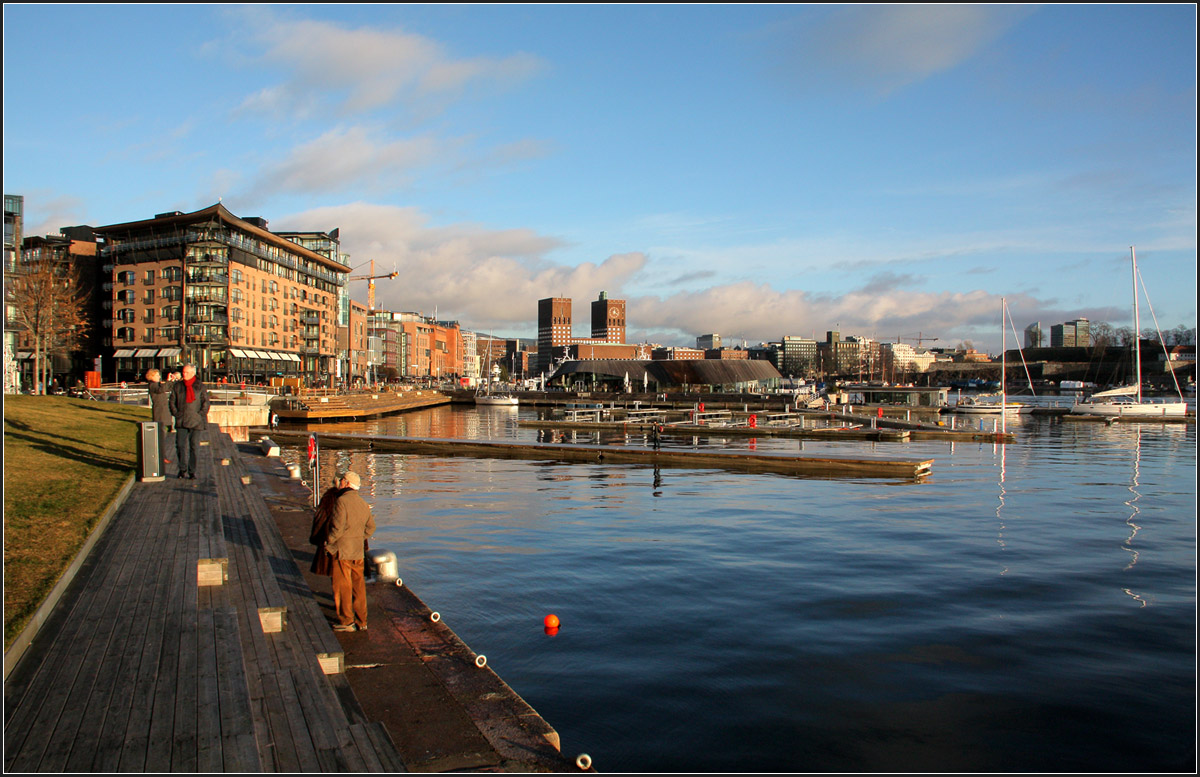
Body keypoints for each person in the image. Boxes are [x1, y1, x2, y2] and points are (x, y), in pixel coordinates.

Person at [324, 471, 375, 632]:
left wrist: (329, 542)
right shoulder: (362, 503)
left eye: (342, 481)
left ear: (346, 483)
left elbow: (337, 528)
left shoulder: (341, 501)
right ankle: (362, 621)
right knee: (358, 587)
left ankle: (346, 621)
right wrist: (359, 537)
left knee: (342, 587)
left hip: (342, 551)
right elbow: (371, 528)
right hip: (357, 551)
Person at [168, 364, 210, 480]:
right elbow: (172, 401)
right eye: (183, 372)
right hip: (182, 420)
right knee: (180, 445)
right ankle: (182, 469)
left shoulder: (200, 386)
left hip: (196, 421)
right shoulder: (178, 386)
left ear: (192, 373)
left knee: (194, 447)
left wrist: (200, 414)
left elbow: (205, 403)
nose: (184, 374)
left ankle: (192, 471)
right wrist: (176, 413)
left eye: (186, 372)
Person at [309, 475, 347, 576]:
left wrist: (315, 538)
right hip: (348, 542)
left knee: (333, 570)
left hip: (329, 538)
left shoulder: (328, 498)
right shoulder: (350, 499)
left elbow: (320, 519)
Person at [146, 368, 172, 474]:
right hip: (159, 413)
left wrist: (171, 381)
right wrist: (167, 381)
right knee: (160, 436)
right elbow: (161, 389)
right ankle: (161, 456)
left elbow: (167, 387)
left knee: (163, 435)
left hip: (164, 412)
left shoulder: (158, 385)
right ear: (151, 376)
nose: (159, 377)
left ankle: (162, 456)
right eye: (157, 375)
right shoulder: (152, 385)